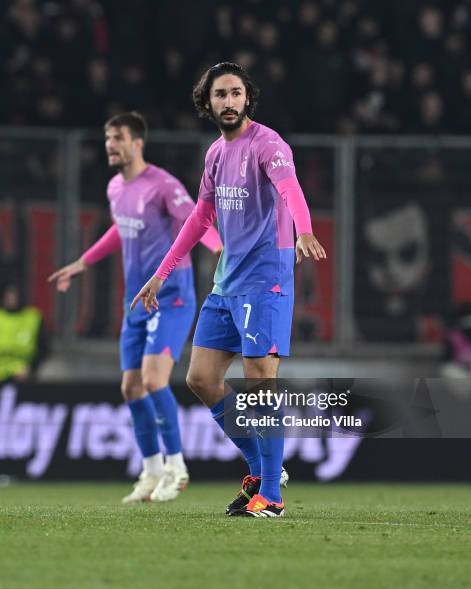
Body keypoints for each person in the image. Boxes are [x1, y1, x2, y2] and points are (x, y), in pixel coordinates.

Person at [132, 63, 326, 517]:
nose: (229, 101)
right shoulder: (216, 155)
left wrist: (304, 229)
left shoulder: (268, 144)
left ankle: (272, 499)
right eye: (220, 94)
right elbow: (200, 218)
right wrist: (162, 272)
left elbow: (289, 186)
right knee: (200, 378)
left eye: (236, 93)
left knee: (261, 378)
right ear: (208, 102)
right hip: (227, 280)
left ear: (247, 99)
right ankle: (263, 470)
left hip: (266, 277)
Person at [49, 112, 222, 504]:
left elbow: (197, 221)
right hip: (136, 301)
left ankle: (177, 468)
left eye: (118, 138)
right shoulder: (115, 188)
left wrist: (219, 251)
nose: (110, 144)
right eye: (108, 138)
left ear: (137, 143)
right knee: (130, 386)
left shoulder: (162, 185)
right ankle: (151, 470)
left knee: (154, 380)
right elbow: (120, 228)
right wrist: (84, 262)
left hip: (172, 295)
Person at [0, 278, 48, 383]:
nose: (12, 298)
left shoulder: (33, 317)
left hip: (24, 373)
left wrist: (31, 367)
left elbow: (44, 349)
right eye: (8, 294)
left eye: (15, 295)